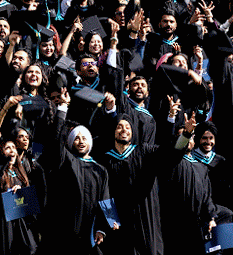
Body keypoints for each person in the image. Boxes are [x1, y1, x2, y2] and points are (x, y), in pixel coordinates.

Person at [99, 109, 196, 255]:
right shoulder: (106, 160)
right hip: (121, 222)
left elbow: (170, 153)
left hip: (147, 216)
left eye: (127, 127)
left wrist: (186, 135)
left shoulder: (144, 151)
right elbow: (104, 191)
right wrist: (110, 216)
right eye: (119, 126)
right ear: (113, 131)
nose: (123, 130)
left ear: (132, 132)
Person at [42, 89, 113, 254]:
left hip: (90, 232)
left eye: (84, 138)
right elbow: (56, 140)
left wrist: (103, 228)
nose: (81, 142)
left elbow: (106, 199)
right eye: (77, 138)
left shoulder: (100, 169)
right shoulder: (66, 160)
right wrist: (62, 109)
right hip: (65, 231)